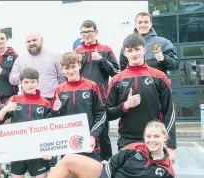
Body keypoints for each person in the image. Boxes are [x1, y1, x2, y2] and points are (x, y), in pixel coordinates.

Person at [2, 121, 179, 178]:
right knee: (70, 158)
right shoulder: (136, 147)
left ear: (165, 137)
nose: (151, 140)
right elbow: (112, 164)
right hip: (107, 175)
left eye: (156, 136)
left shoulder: (166, 169)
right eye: (149, 136)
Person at [105, 34, 177, 164]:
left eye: (137, 49)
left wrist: (171, 145)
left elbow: (169, 112)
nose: (134, 54)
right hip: (127, 141)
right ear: (125, 53)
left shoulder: (159, 76)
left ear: (144, 49)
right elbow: (107, 114)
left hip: (154, 140)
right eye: (130, 50)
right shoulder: (117, 80)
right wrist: (125, 106)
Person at [9, 31, 64, 168]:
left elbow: (62, 78)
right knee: (31, 134)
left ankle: (50, 164)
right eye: (28, 41)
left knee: (50, 133)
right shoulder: (20, 59)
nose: (32, 43)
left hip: (50, 99)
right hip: (28, 101)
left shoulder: (54, 57)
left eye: (34, 40)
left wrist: (60, 98)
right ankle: (29, 164)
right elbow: (12, 79)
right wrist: (24, 75)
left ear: (41, 40)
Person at [0, 67, 53, 178]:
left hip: (38, 151)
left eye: (33, 82)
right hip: (19, 149)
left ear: (38, 82)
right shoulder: (14, 99)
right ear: (21, 83)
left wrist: (47, 149)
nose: (30, 85)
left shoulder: (45, 103)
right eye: (26, 82)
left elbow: (50, 130)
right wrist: (6, 109)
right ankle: (6, 174)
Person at [74, 20, 120, 162]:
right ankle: (84, 163)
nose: (86, 34)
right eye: (83, 32)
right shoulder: (77, 52)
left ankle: (106, 163)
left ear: (96, 32)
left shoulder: (105, 50)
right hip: (81, 100)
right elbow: (71, 74)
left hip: (101, 99)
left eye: (89, 31)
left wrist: (101, 60)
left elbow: (117, 73)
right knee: (82, 132)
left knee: (102, 133)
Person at [51, 52, 106, 166]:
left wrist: (93, 135)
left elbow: (101, 113)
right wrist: (55, 111)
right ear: (62, 69)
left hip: (89, 144)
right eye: (67, 68)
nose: (70, 71)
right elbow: (55, 120)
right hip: (68, 144)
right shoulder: (59, 90)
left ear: (79, 65)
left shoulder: (91, 86)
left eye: (73, 66)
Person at [0, 28, 19, 104]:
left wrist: (3, 73)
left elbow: (18, 78)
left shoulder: (14, 56)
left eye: (2, 38)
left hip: (9, 96)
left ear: (7, 39)